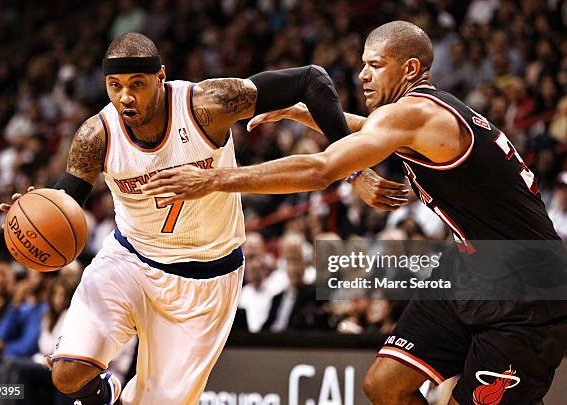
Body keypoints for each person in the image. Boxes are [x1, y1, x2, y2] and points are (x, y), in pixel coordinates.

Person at [144, 21, 567, 404]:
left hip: (528, 286)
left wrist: (215, 180)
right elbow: (369, 131)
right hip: (477, 269)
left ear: (410, 69)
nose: (362, 74)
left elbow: (323, 168)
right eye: (362, 64)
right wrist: (300, 112)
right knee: (383, 385)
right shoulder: (419, 114)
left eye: (375, 65)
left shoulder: (417, 114)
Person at [0, 32, 404, 405]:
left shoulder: (206, 106)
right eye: (115, 87)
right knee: (67, 374)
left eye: (137, 84)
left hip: (207, 277)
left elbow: (312, 80)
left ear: (161, 76)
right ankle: (107, 394)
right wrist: (33, 212)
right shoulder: (96, 135)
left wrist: (354, 167)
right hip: (129, 260)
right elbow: (67, 200)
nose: (126, 98)